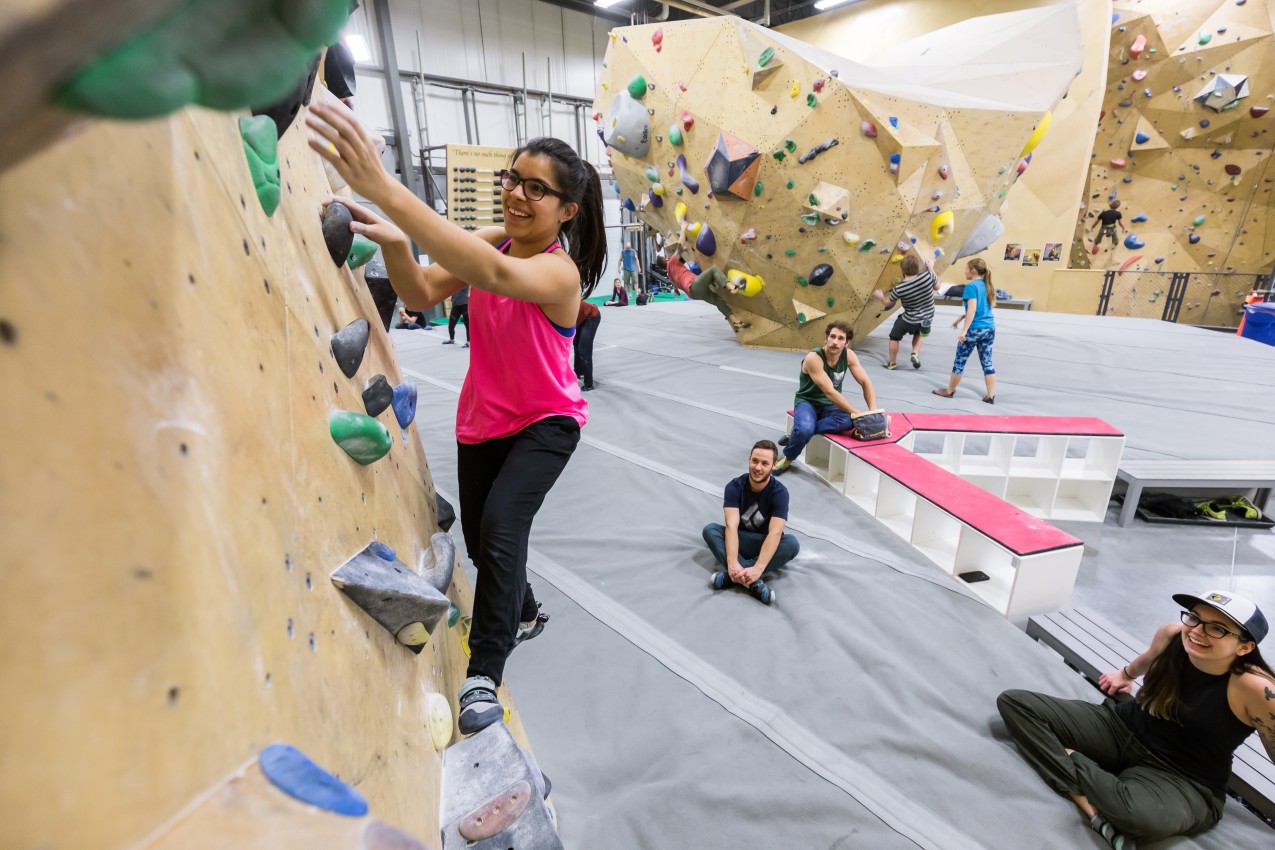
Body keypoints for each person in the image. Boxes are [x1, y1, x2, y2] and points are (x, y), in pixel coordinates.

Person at [307, 102, 606, 736]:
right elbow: (419, 292)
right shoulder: (494, 240)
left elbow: (492, 273)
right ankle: (523, 609)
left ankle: (483, 674)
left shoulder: (559, 272)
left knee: (501, 527)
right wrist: (395, 242)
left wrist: (383, 188)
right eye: (513, 179)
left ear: (567, 211)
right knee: (480, 538)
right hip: (484, 421)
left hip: (547, 422)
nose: (516, 195)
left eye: (536, 189)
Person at [998, 590, 1275, 849]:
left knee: (1136, 818)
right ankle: (1093, 807)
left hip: (1183, 776)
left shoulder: (1255, 687)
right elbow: (1148, 659)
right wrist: (1125, 675)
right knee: (1017, 704)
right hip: (1121, 728)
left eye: (1216, 628)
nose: (1196, 631)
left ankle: (1069, 759)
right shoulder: (1172, 636)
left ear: (1245, 647)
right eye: (1194, 618)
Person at [702, 440, 799, 606]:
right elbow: (731, 526)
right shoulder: (734, 487)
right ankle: (751, 582)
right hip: (739, 540)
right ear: (749, 459)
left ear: (774, 465)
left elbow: (775, 533)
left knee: (791, 543)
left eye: (765, 463)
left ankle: (733, 577)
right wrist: (732, 562)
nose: (758, 467)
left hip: (764, 543)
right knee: (710, 530)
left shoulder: (780, 493)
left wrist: (758, 569)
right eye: (755, 461)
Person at [775, 321, 876, 475]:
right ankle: (788, 458)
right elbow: (829, 392)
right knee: (805, 430)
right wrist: (858, 413)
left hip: (831, 405)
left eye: (841, 338)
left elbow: (865, 381)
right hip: (808, 403)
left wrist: (873, 411)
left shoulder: (849, 355)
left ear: (847, 343)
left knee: (850, 421)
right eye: (832, 337)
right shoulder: (813, 358)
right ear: (826, 338)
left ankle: (796, 433)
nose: (835, 342)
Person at [932, 258, 997, 404]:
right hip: (989, 329)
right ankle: (991, 396)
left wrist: (964, 331)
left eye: (966, 269)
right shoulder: (987, 284)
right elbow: (981, 309)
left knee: (960, 362)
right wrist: (961, 317)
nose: (965, 272)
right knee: (987, 363)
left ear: (973, 270)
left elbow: (972, 309)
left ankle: (949, 391)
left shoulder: (971, 287)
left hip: (974, 330)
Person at [871, 253, 938, 370]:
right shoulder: (928, 277)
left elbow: (888, 303)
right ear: (917, 268)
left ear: (903, 270)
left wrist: (881, 296)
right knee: (919, 333)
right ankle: (915, 353)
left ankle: (892, 363)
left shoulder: (899, 288)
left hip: (909, 319)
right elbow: (937, 287)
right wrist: (931, 267)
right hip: (927, 318)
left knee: (894, 338)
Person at [665, 252, 749, 329]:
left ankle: (736, 321)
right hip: (693, 286)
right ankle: (731, 286)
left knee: (718, 300)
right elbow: (679, 247)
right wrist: (682, 239)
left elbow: (675, 288)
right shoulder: (671, 262)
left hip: (694, 294)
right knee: (714, 269)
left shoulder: (670, 275)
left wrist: (676, 290)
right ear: (665, 260)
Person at [574, 298, 600, 392]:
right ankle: (578, 372)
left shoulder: (563, 306)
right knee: (576, 344)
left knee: (583, 349)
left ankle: (589, 384)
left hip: (591, 316)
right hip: (581, 318)